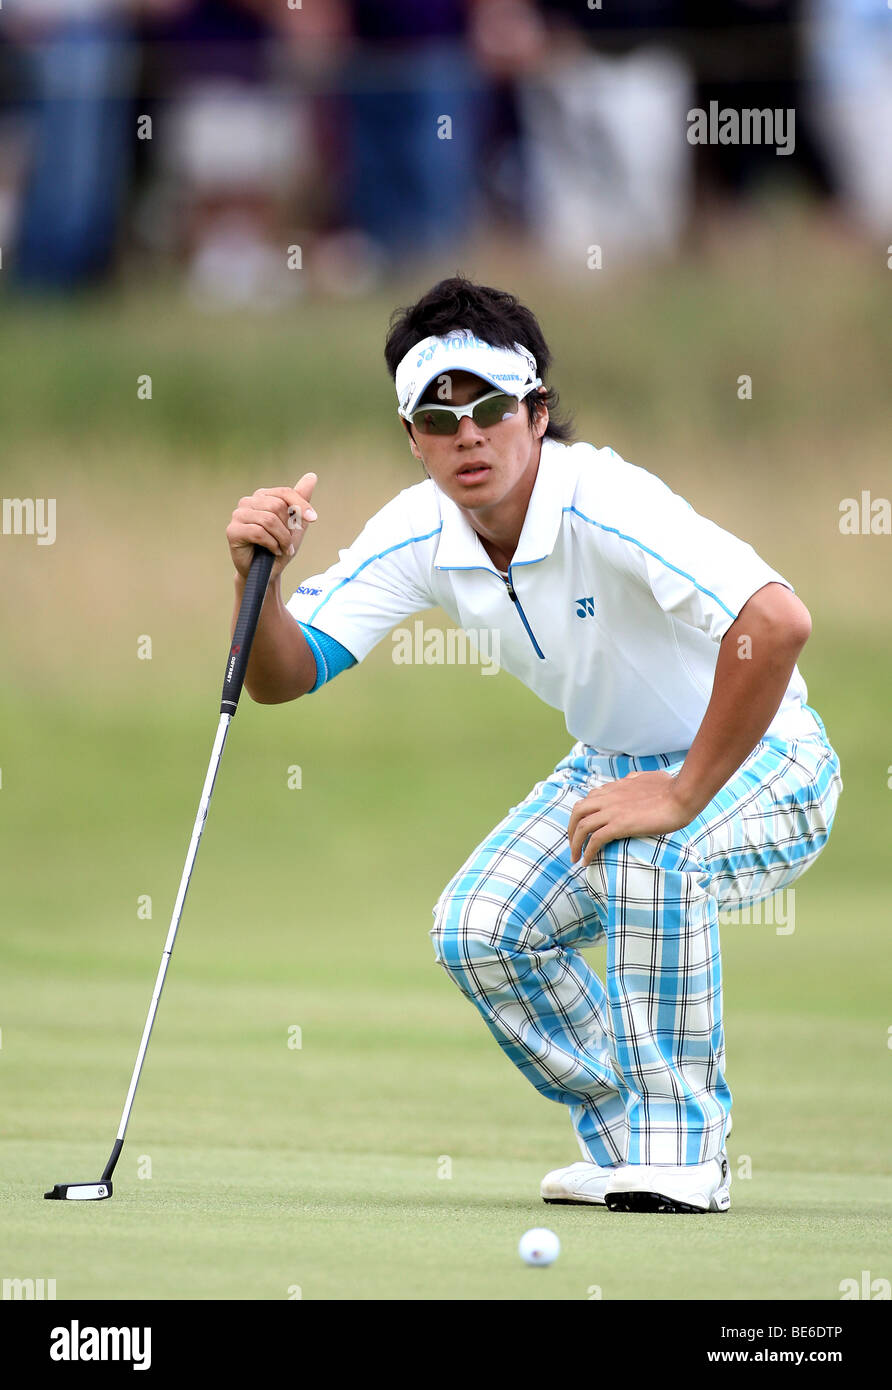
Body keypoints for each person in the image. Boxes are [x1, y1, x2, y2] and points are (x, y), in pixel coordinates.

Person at [225, 277, 842, 1214]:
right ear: (412, 436)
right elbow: (288, 672)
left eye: (491, 407)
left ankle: (686, 1157)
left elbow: (777, 622)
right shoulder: (420, 530)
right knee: (480, 931)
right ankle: (633, 1137)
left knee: (648, 851)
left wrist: (678, 790)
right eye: (439, 416)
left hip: (770, 756)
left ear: (536, 411)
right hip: (613, 765)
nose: (467, 434)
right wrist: (260, 580)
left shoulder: (605, 498)